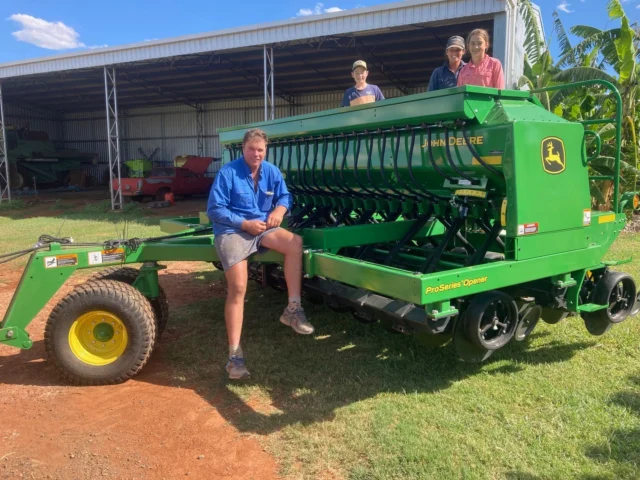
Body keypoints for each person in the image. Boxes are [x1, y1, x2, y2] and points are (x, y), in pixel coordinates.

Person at [206, 128, 315, 380]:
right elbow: (215, 209)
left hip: (262, 228)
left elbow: (286, 195)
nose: (256, 154)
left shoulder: (272, 172)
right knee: (239, 288)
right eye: (252, 149)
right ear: (243, 149)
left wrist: (280, 208)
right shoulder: (228, 173)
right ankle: (234, 356)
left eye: (260, 150)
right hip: (233, 230)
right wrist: (244, 224)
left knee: (294, 243)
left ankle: (293, 310)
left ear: (266, 151)